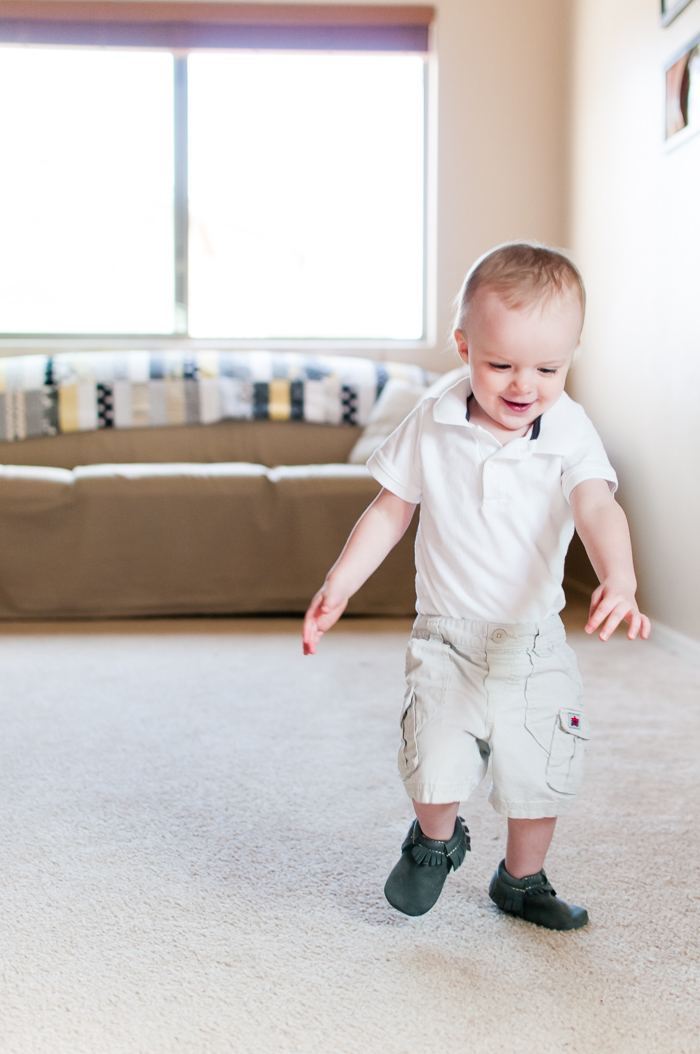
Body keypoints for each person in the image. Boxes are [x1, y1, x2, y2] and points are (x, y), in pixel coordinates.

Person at [302, 243, 650, 931]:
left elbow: (596, 504)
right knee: (434, 752)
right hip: (447, 634)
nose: (524, 384)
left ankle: (521, 879)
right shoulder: (432, 417)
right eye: (500, 365)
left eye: (547, 367)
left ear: (570, 357)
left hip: (534, 643)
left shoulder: (570, 428)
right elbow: (390, 508)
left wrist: (621, 574)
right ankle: (435, 841)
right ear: (463, 347)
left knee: (540, 771)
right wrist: (340, 581)